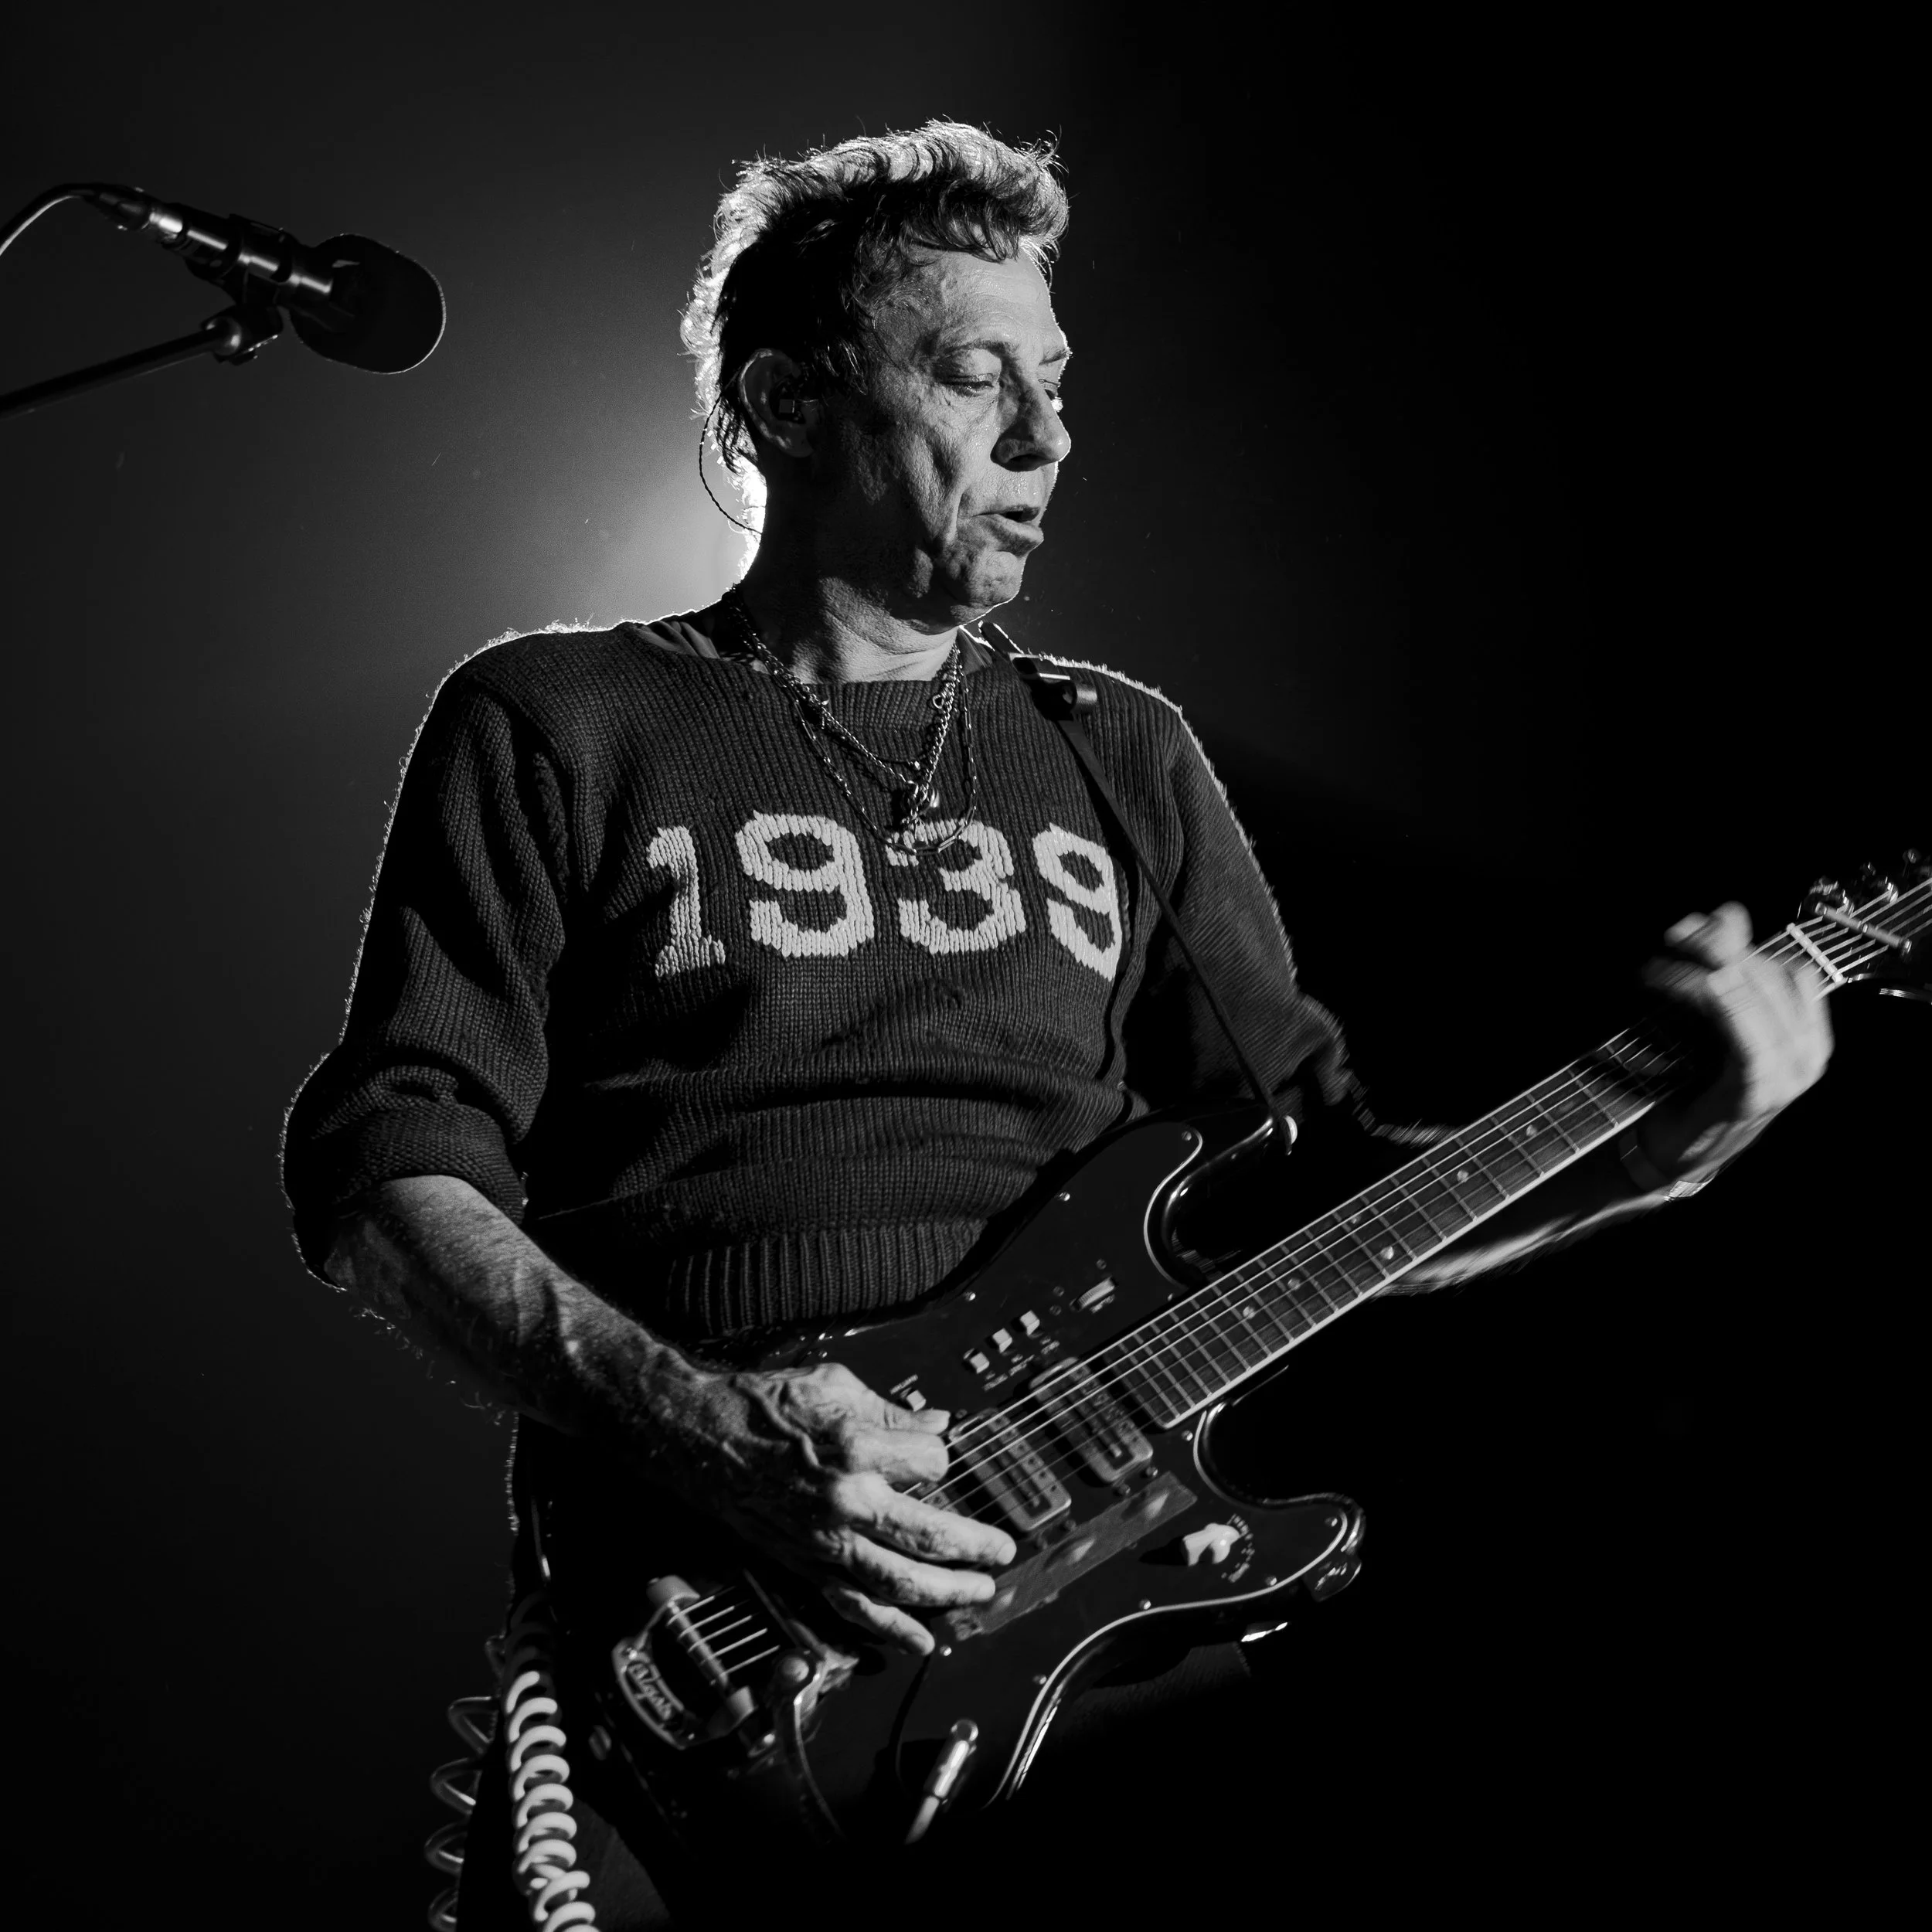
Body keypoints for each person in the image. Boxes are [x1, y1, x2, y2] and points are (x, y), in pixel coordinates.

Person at [282, 123, 1831, 1927]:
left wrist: (1654, 1147)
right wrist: (713, 1435)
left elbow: (1321, 1183)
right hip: (697, 1637)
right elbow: (386, 1162)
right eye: (973, 374)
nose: (1047, 436)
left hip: (1101, 1617)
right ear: (785, 408)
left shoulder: (1121, 748)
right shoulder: (561, 715)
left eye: (1057, 382)